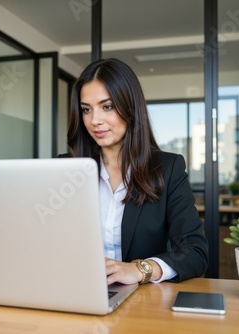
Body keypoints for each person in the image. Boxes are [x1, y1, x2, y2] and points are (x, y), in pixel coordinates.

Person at [62, 58, 208, 284]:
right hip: (74, 287)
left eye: (107, 106)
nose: (95, 121)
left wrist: (140, 269)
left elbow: (195, 251)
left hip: (140, 300)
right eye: (86, 110)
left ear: (130, 107)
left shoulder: (167, 169)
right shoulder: (65, 170)